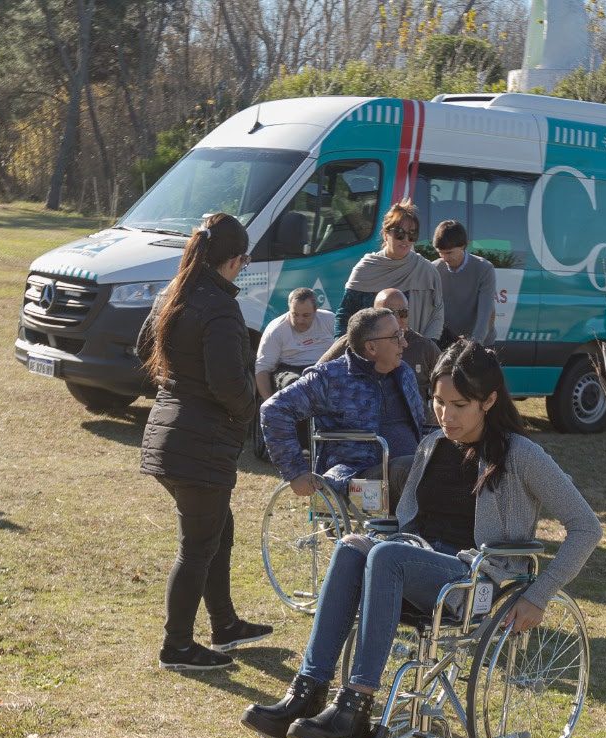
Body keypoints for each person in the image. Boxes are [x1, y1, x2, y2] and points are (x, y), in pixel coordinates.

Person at [240, 340, 602, 738]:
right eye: (438, 402)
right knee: (352, 547)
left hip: (476, 582)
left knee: (385, 554)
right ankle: (307, 692)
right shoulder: (432, 446)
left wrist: (539, 595)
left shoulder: (522, 455)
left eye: (459, 405)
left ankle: (354, 708)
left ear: (489, 401)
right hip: (417, 563)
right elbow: (405, 522)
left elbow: (586, 527)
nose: (446, 416)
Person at [136, 213, 272, 671]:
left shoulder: (171, 293)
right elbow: (229, 382)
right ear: (234, 261)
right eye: (245, 260)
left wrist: (180, 381)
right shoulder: (219, 306)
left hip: (170, 433)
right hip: (199, 442)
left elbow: (144, 350)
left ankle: (225, 623)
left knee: (218, 529)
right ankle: (177, 646)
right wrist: (249, 413)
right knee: (196, 547)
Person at [259, 307, 425, 511]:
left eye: (402, 334)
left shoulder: (404, 373)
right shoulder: (330, 378)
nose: (404, 343)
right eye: (396, 336)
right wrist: (295, 471)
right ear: (371, 347)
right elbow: (274, 409)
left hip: (407, 472)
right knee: (412, 469)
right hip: (355, 480)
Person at [318, 287, 440, 423]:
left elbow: (448, 387)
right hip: (361, 427)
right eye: (388, 314)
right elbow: (318, 375)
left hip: (412, 428)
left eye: (403, 313)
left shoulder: (424, 347)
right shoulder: (354, 341)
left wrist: (435, 428)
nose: (397, 319)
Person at [332, 200, 444, 342]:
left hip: (413, 353)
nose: (406, 240)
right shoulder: (366, 268)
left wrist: (426, 347)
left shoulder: (427, 271)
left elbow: (437, 314)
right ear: (385, 234)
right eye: (399, 234)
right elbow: (345, 315)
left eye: (412, 234)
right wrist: (343, 349)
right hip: (370, 355)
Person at [254, 287, 336, 401]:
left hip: (324, 365)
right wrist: (269, 403)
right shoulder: (276, 329)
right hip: (291, 369)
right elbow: (262, 368)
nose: (300, 320)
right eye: (295, 314)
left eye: (306, 315)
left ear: (315, 310)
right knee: (294, 386)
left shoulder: (329, 320)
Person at [432, 220, 496, 348]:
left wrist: (473, 345)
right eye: (441, 252)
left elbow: (485, 315)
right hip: (446, 343)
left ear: (463, 246)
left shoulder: (484, 269)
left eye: (449, 252)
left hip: (479, 343)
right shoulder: (434, 268)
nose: (445, 258)